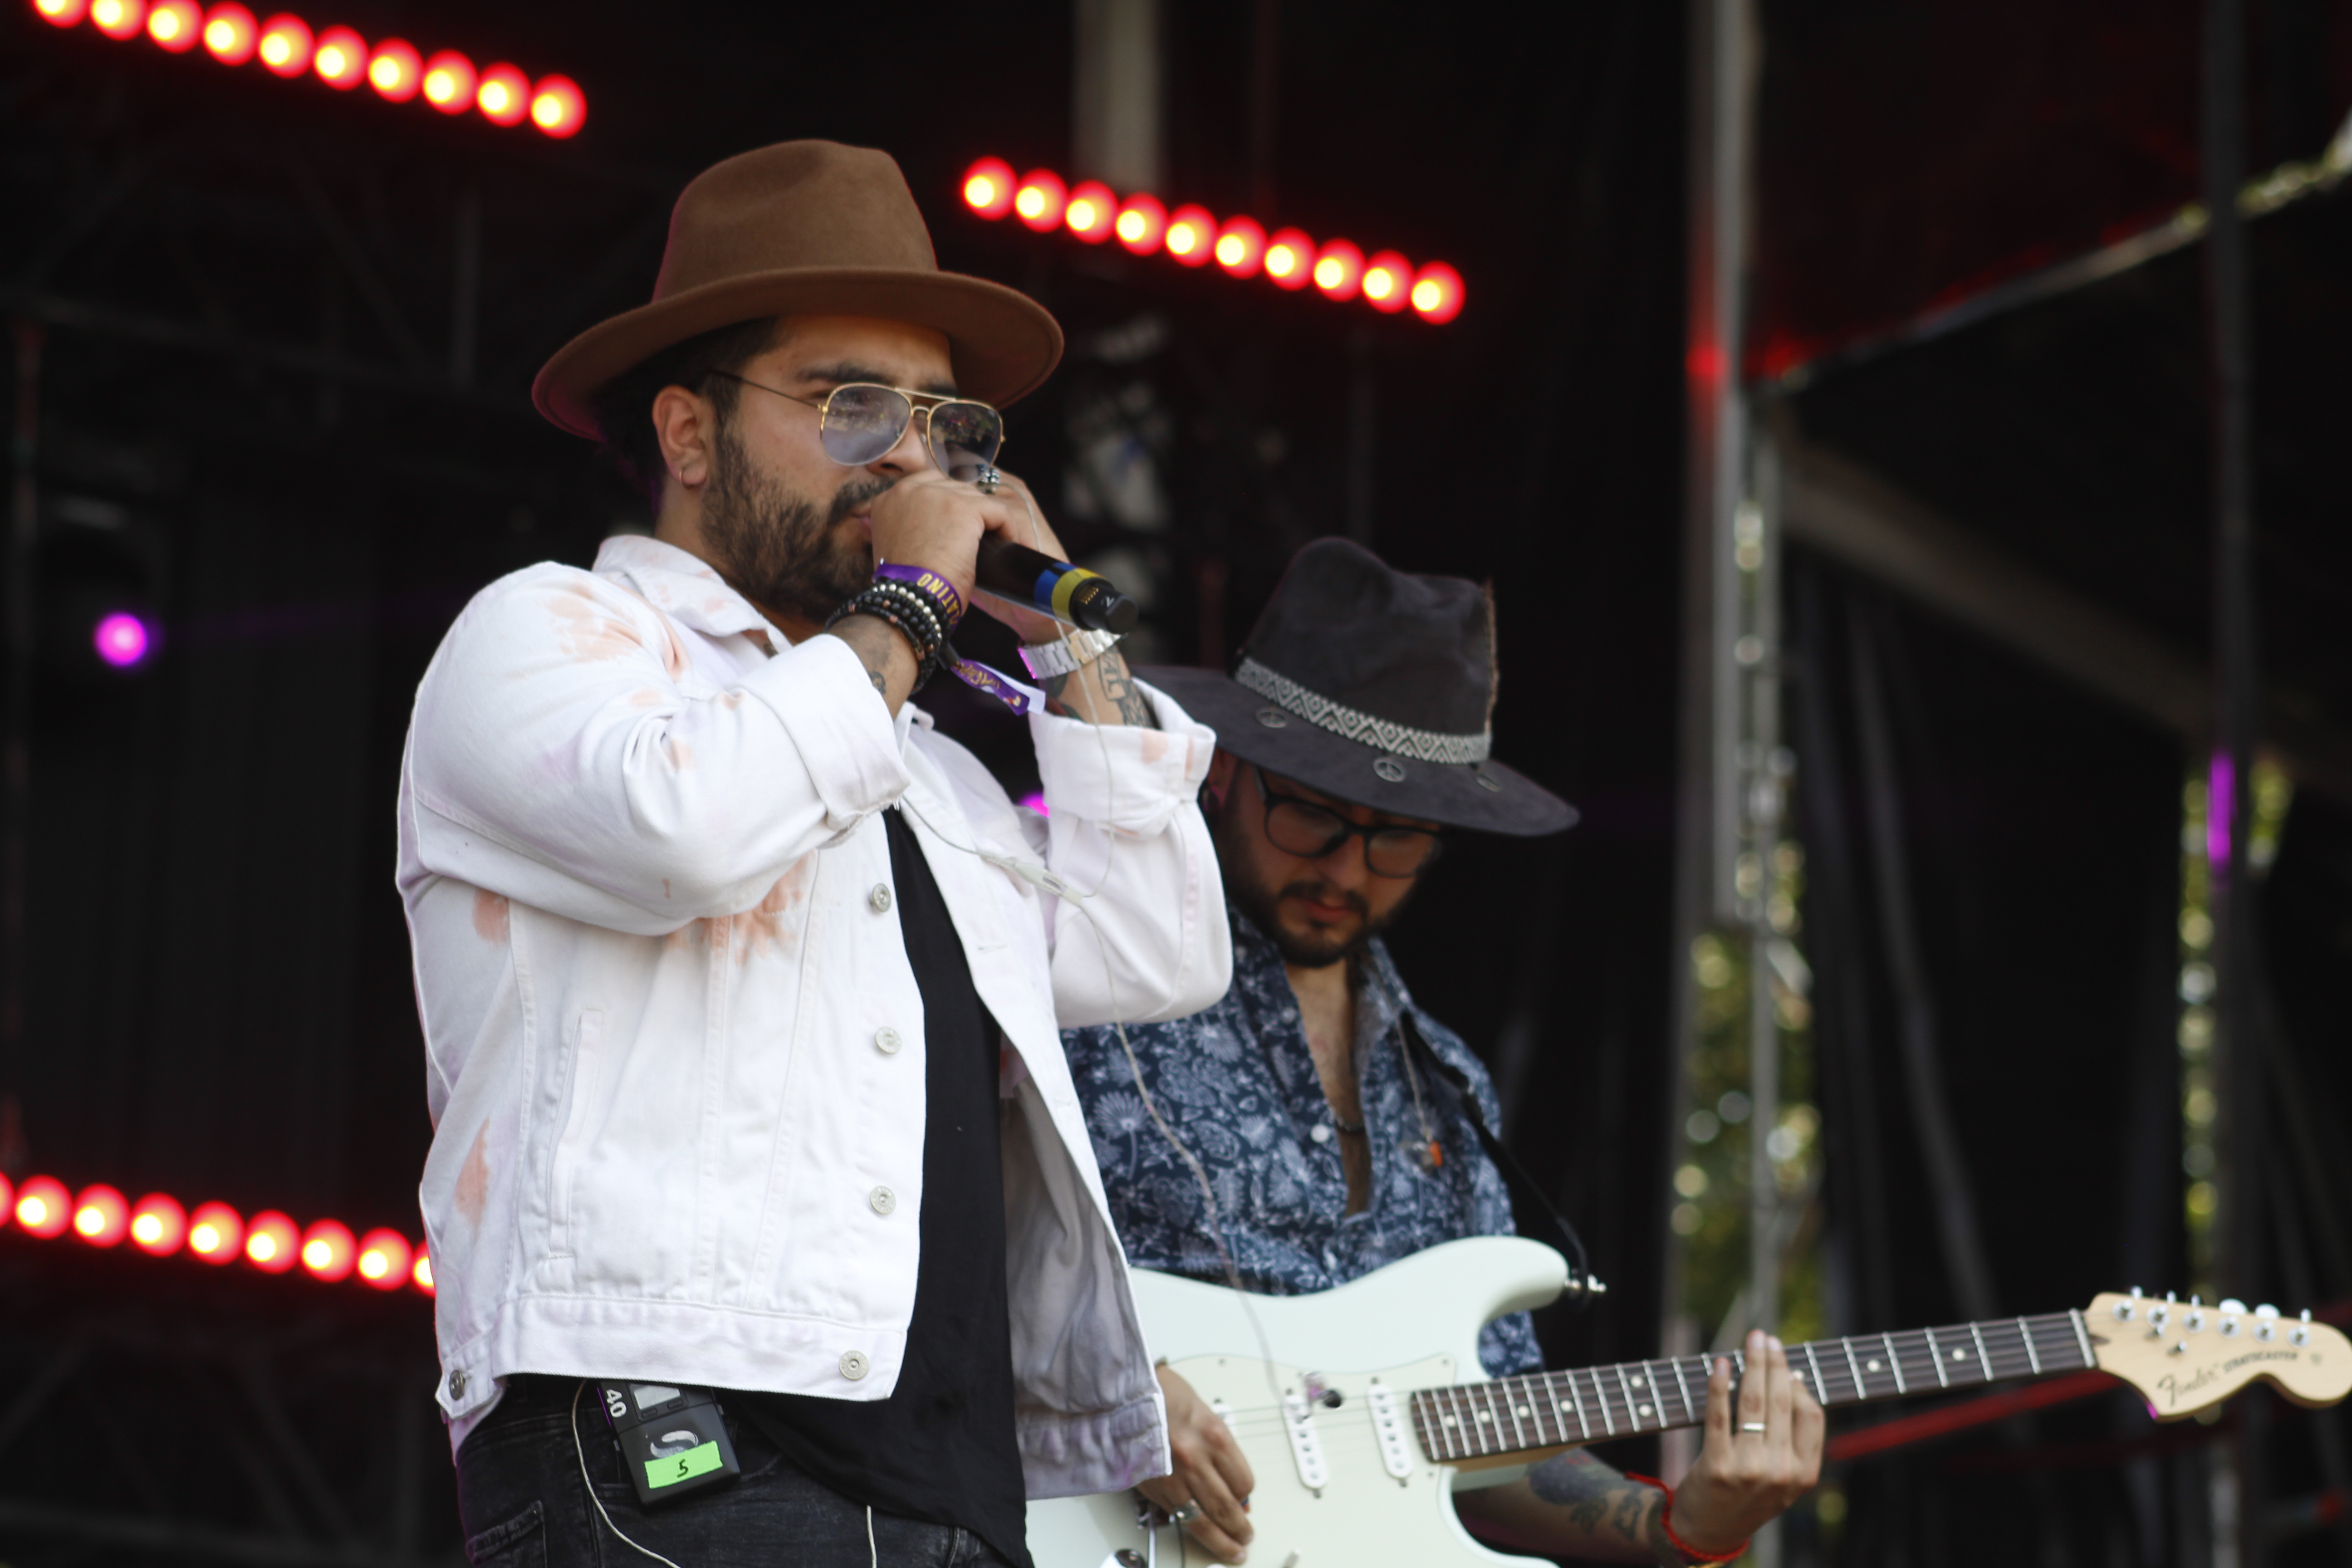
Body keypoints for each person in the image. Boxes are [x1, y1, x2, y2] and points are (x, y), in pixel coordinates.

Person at [398, 141, 1231, 1568]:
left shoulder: (930, 772)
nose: (908, 456)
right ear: (687, 434)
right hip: (675, 1440)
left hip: (949, 1487)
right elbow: (688, 832)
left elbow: (1157, 949)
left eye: (942, 422)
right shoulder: (554, 636)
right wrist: (911, 601)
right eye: (851, 405)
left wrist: (1071, 646)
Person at [1064, 539, 1823, 1565]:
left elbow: (1491, 1429)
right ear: (1225, 769)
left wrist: (1677, 1526)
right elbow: (939, 1248)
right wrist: (1112, 1384)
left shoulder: (1447, 1086)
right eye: (1311, 813)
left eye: (1398, 838)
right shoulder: (1085, 980)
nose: (1346, 871)